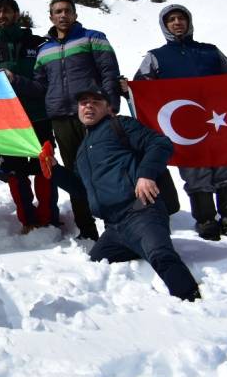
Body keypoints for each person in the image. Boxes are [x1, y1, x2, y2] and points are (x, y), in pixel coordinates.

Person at [128, 4, 227, 244]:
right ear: (165, 26)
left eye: (181, 18)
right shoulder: (156, 56)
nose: (177, 23)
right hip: (186, 129)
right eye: (171, 20)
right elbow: (142, 88)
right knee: (196, 172)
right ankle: (206, 224)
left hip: (219, 123)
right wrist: (129, 89)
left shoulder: (211, 52)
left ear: (188, 22)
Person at [72, 86, 199, 301]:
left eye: (96, 102)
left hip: (141, 212)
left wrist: (146, 175)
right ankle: (139, 245)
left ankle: (192, 301)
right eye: (84, 102)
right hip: (113, 228)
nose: (89, 106)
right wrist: (54, 171)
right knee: (97, 262)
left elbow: (160, 143)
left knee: (161, 255)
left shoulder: (121, 125)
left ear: (108, 108)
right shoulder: (82, 150)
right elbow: (79, 188)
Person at [12, 0, 119, 240]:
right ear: (51, 17)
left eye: (67, 10)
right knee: (73, 173)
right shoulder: (44, 50)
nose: (63, 15)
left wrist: (111, 105)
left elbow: (109, 72)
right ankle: (86, 229)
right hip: (61, 119)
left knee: (103, 169)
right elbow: (40, 86)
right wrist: (15, 79)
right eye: (58, 11)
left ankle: (115, 224)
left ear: (75, 14)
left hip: (93, 116)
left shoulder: (93, 38)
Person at [0, 0, 56, 232]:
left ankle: (48, 217)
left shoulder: (39, 44)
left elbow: (48, 79)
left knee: (45, 166)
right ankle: (28, 220)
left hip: (39, 116)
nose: (2, 15)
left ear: (17, 14)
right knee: (15, 171)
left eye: (6, 11)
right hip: (7, 122)